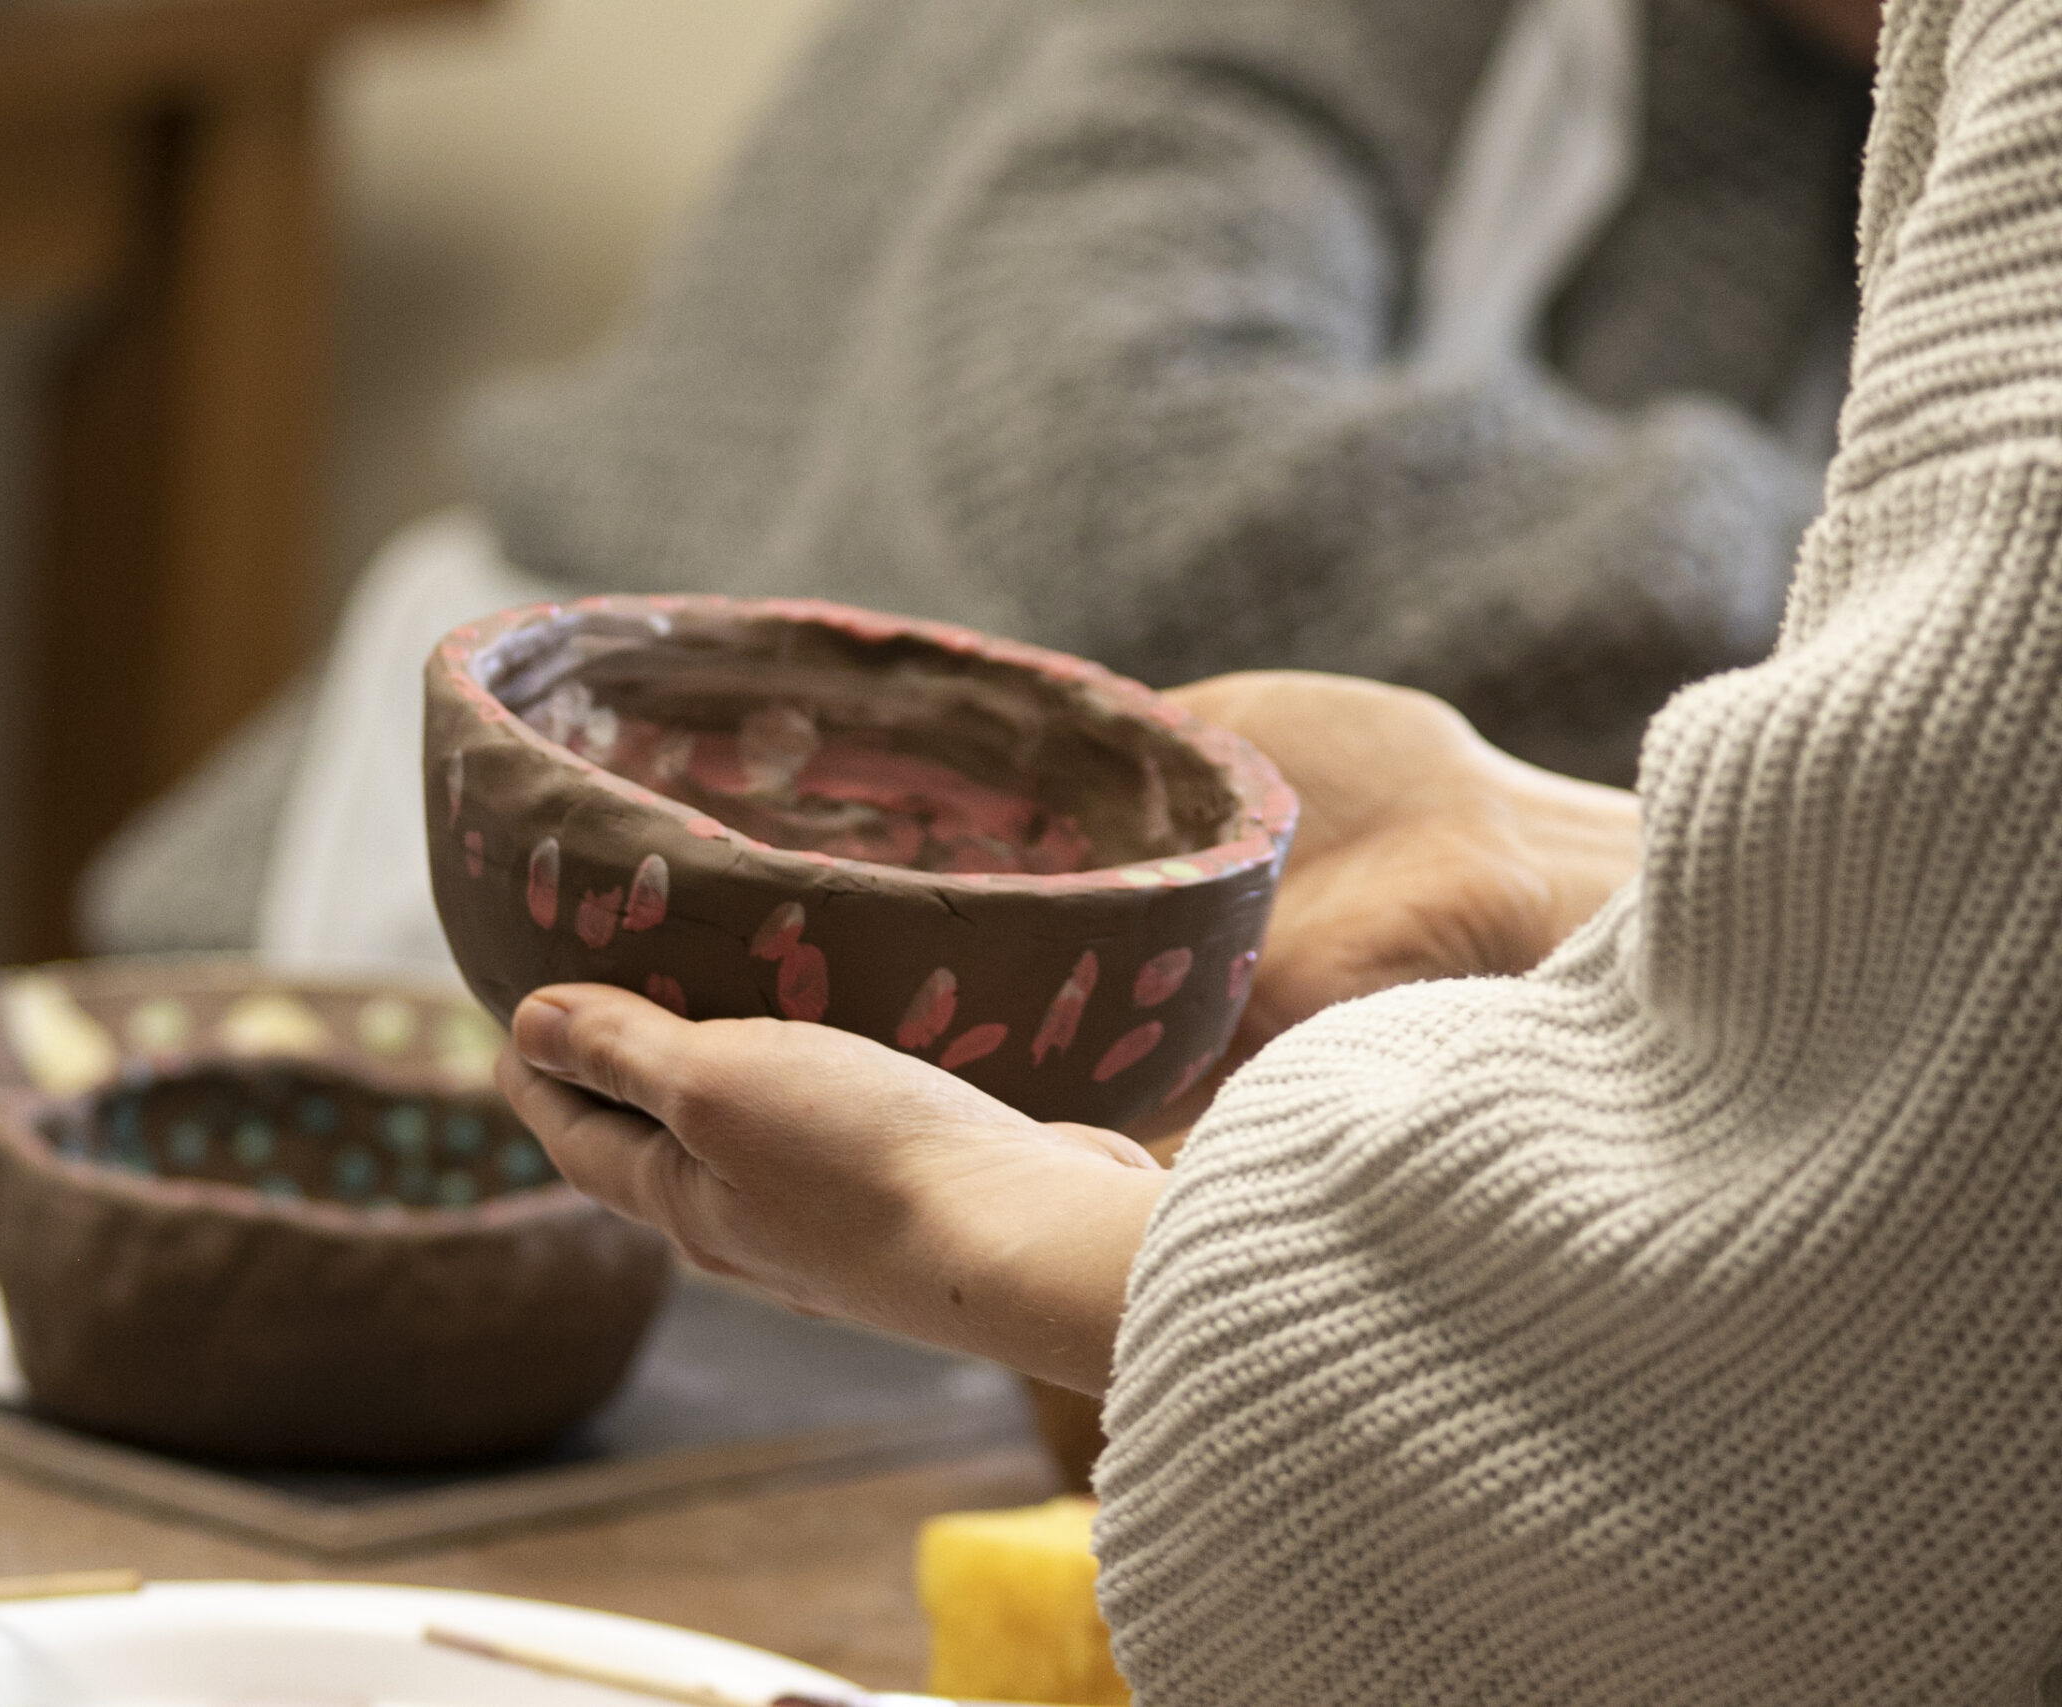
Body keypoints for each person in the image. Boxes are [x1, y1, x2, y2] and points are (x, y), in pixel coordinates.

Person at [495, 0, 2062, 1696]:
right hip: (597, 868)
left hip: (961, 1176)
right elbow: (1119, 472)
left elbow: (1868, 1331)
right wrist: (1607, 817)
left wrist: (994, 1229)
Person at [81, 0, 1872, 972]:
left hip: (969, 1060)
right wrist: (1919, 556)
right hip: (494, 946)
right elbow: (1121, 477)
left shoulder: (1868, 87)